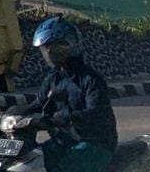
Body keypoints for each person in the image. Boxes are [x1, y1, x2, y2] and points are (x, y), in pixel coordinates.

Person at [19, 18, 116, 172]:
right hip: (65, 140)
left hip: (95, 142)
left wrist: (70, 117)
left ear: (71, 45)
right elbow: (39, 104)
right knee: (33, 160)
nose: (49, 52)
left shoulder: (90, 79)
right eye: (46, 48)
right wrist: (15, 115)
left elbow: (97, 112)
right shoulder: (53, 78)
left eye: (56, 47)